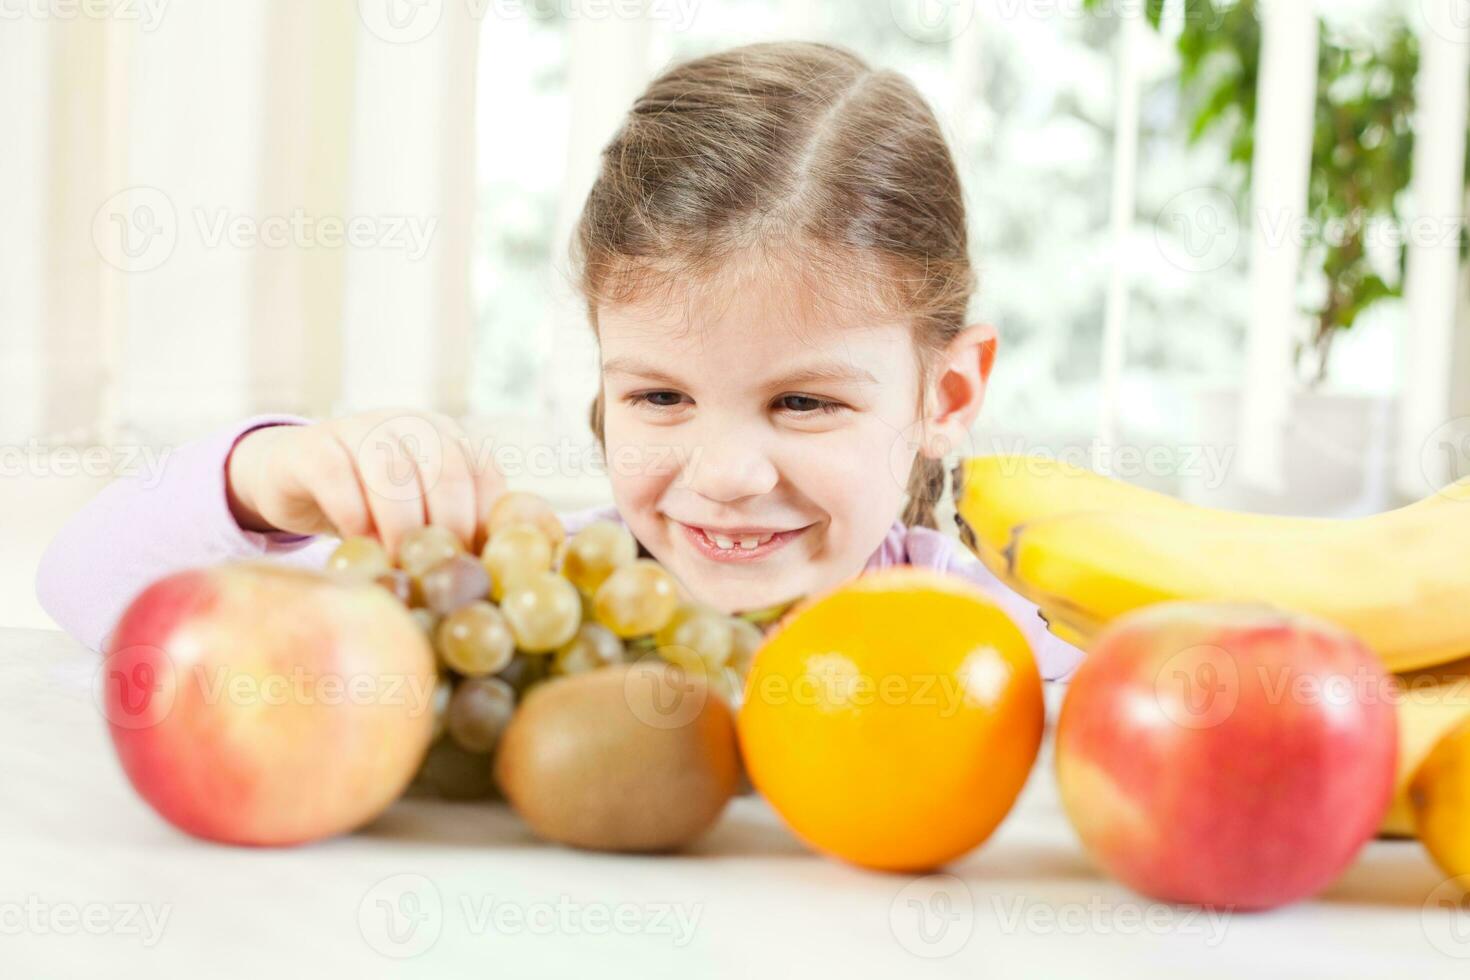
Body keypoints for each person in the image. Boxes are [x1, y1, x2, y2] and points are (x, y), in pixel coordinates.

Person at [36, 41, 1082, 681]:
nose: (724, 474)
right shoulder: (525, 597)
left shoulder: (1003, 647)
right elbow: (89, 592)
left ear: (946, 393)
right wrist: (265, 473)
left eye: (803, 401)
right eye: (661, 394)